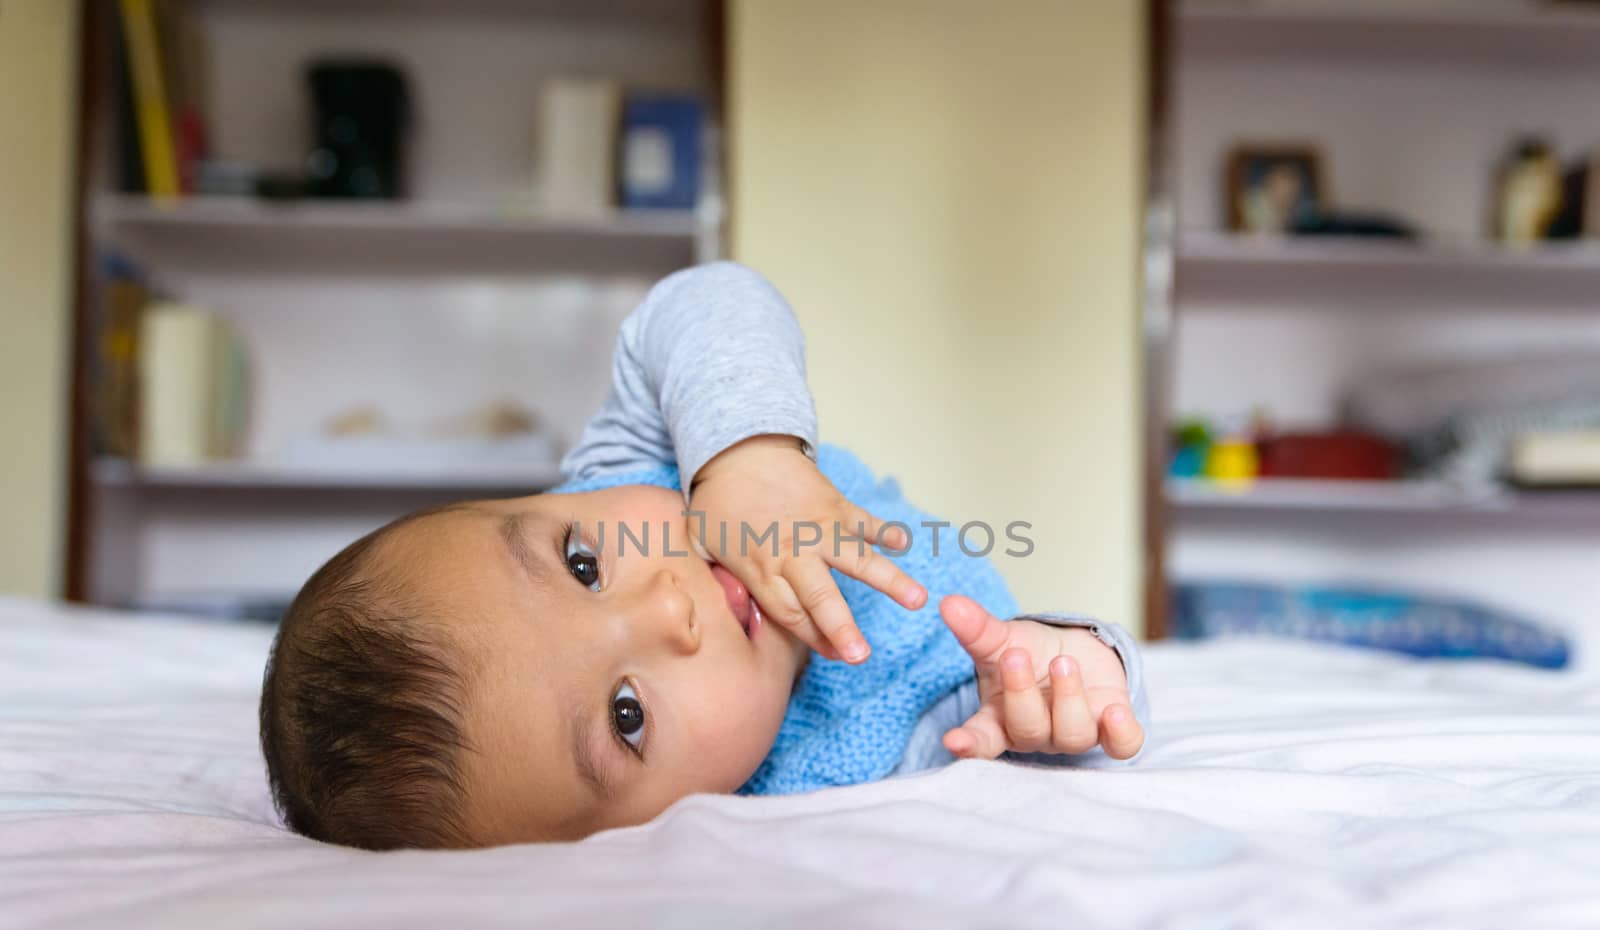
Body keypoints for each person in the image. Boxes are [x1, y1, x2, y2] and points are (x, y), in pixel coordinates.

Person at [259, 262, 1150, 850]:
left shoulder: (628, 467)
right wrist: (1061, 669)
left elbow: (711, 296)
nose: (669, 608)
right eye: (626, 716)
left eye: (580, 565)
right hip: (973, 624)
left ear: (543, 500)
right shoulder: (827, 789)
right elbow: (1054, 734)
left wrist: (744, 451)